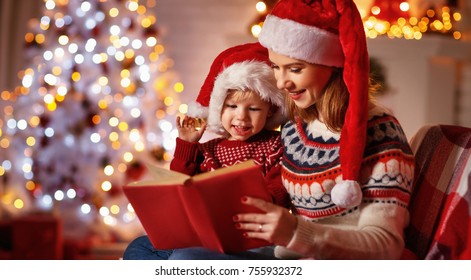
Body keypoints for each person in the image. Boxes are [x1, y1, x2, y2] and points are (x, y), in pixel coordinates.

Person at [168, 0, 416, 260]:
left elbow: (386, 246)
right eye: (276, 67)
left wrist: (296, 232)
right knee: (142, 248)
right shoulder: (296, 126)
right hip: (282, 250)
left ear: (333, 66)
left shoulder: (381, 133)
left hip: (319, 259)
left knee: (185, 259)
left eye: (295, 69)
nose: (282, 82)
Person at [123, 42, 290, 260]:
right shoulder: (209, 150)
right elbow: (179, 186)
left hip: (254, 242)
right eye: (232, 106)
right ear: (219, 107)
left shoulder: (275, 145)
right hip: (205, 240)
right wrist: (187, 144)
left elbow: (281, 190)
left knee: (183, 259)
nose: (241, 117)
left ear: (270, 112)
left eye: (254, 109)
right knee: (138, 248)